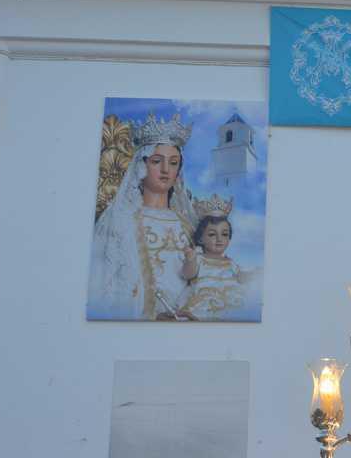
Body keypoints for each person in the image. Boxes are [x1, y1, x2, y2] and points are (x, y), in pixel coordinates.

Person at [88, 111, 197, 320]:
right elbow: (104, 285)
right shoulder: (119, 221)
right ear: (141, 165)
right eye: (157, 161)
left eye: (173, 163)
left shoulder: (188, 224)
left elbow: (202, 279)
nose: (166, 169)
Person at [177, 194, 256, 321]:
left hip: (232, 299)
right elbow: (187, 274)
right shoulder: (199, 258)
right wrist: (190, 259)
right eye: (212, 234)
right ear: (201, 238)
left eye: (225, 234)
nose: (219, 239)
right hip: (205, 301)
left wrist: (252, 275)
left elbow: (240, 277)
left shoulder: (230, 263)